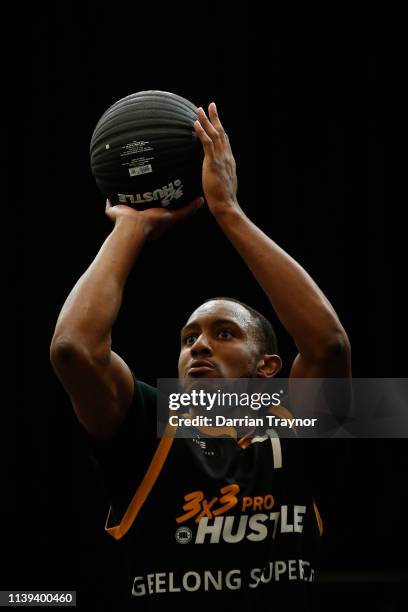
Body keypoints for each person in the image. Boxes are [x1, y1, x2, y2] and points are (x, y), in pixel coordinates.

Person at [50, 102, 351, 610]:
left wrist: (228, 211)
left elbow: (329, 345)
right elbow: (72, 349)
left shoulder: (297, 430)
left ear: (268, 368)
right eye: (189, 338)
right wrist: (130, 225)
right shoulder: (146, 426)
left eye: (224, 333)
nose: (200, 346)